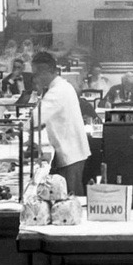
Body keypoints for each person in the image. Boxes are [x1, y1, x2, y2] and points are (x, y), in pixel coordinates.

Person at [31, 51, 91, 198]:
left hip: (71, 152)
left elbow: (35, 118)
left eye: (37, 73)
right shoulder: (62, 86)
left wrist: (14, 129)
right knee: (72, 194)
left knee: (71, 197)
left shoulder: (57, 91)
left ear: (48, 71)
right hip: (73, 150)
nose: (35, 77)